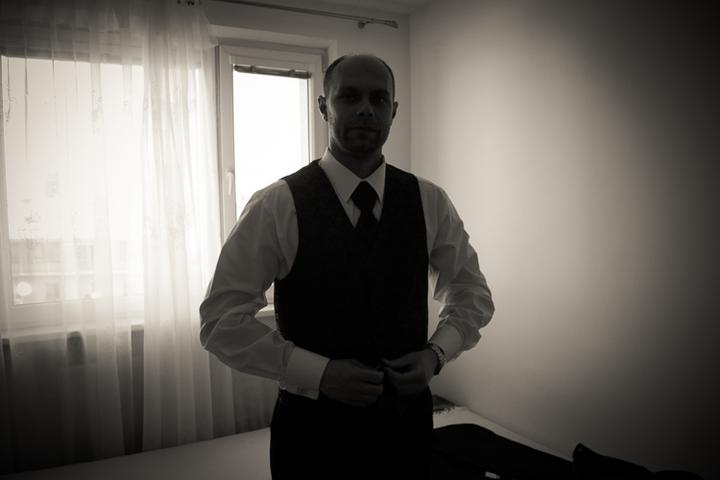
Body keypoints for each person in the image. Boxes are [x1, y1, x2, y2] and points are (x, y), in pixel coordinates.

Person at [199, 53, 494, 479]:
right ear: (324, 107)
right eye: (350, 97)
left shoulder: (429, 201)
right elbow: (220, 321)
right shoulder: (276, 205)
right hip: (311, 437)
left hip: (406, 433)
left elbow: (472, 294)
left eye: (378, 99)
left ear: (393, 110)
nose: (365, 109)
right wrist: (320, 373)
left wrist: (435, 355)